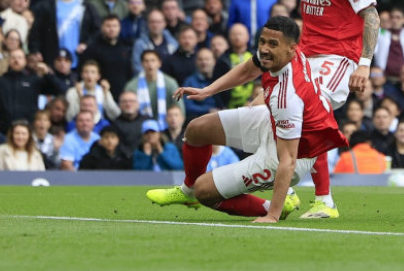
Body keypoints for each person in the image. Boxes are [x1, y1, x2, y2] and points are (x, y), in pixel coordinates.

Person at [147, 16, 347, 223]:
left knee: (204, 191)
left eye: (272, 44)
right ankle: (187, 192)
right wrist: (207, 91)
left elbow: (288, 160)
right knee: (197, 129)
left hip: (289, 155)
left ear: (291, 48)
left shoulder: (288, 97)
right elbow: (248, 69)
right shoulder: (282, 56)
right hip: (273, 122)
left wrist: (272, 216)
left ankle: (273, 207)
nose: (265, 49)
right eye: (262, 41)